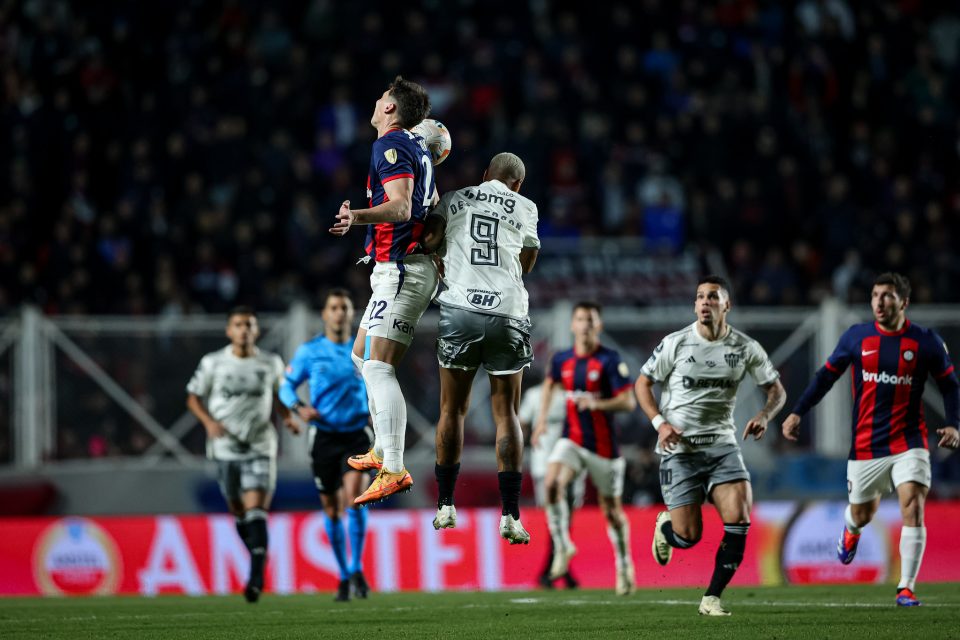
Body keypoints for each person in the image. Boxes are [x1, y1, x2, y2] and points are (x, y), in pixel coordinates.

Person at [782, 272, 959, 607]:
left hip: (909, 442)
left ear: (904, 302)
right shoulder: (856, 338)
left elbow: (950, 385)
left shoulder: (926, 342)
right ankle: (851, 529)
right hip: (866, 446)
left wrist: (954, 425)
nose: (879, 301)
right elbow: (825, 378)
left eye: (888, 295)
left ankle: (905, 587)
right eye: (876, 295)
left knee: (913, 504)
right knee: (863, 513)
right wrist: (797, 413)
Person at [636, 275, 786, 616]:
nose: (705, 302)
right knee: (689, 537)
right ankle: (666, 527)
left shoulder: (745, 347)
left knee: (740, 517)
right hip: (680, 451)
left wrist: (764, 415)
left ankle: (712, 598)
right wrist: (659, 423)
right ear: (695, 305)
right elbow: (642, 384)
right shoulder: (676, 343)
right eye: (700, 297)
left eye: (713, 297)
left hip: (723, 447)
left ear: (726, 305)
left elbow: (777, 391)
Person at [419, 152, 540, 544]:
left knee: (452, 409)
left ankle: (446, 504)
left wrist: (443, 252)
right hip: (507, 311)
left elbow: (430, 239)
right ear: (517, 184)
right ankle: (510, 514)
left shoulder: (454, 197)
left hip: (460, 310)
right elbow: (528, 260)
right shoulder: (526, 206)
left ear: (485, 174)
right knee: (507, 413)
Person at [328, 76, 438, 505]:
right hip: (397, 268)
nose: (375, 102)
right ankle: (382, 447)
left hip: (402, 269)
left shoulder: (389, 145)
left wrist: (356, 217)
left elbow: (401, 206)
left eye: (381, 98)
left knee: (378, 368)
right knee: (360, 355)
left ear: (391, 109)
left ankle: (394, 465)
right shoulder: (418, 149)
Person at [186, 307, 298, 603]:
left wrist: (287, 416)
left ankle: (256, 576)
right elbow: (193, 397)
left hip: (260, 446)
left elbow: (279, 395)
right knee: (238, 511)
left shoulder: (270, 362)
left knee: (256, 511)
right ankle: (258, 553)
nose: (244, 330)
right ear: (229, 331)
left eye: (249, 325)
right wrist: (209, 423)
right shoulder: (213, 363)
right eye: (238, 325)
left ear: (256, 331)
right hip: (225, 448)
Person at [532, 302, 637, 595]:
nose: (585, 325)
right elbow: (549, 385)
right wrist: (541, 422)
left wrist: (597, 403)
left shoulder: (609, 360)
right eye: (580, 319)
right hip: (573, 441)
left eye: (591, 320)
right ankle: (563, 546)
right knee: (552, 482)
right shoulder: (561, 359)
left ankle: (624, 564)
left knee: (612, 512)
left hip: (604, 449)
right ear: (572, 325)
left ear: (599, 326)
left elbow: (628, 402)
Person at [278, 289, 372, 602]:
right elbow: (286, 387)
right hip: (324, 437)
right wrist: (299, 408)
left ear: (350, 312)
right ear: (325, 313)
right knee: (332, 510)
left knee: (355, 496)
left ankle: (357, 567)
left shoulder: (365, 347)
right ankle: (344, 574)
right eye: (334, 307)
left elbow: (385, 379)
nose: (340, 313)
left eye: (344, 307)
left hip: (357, 433)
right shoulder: (310, 351)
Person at [518, 378, 585, 589]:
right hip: (544, 465)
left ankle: (554, 571)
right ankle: (558, 570)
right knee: (556, 518)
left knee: (564, 519)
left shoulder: (574, 396)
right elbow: (521, 422)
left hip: (570, 465)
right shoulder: (534, 395)